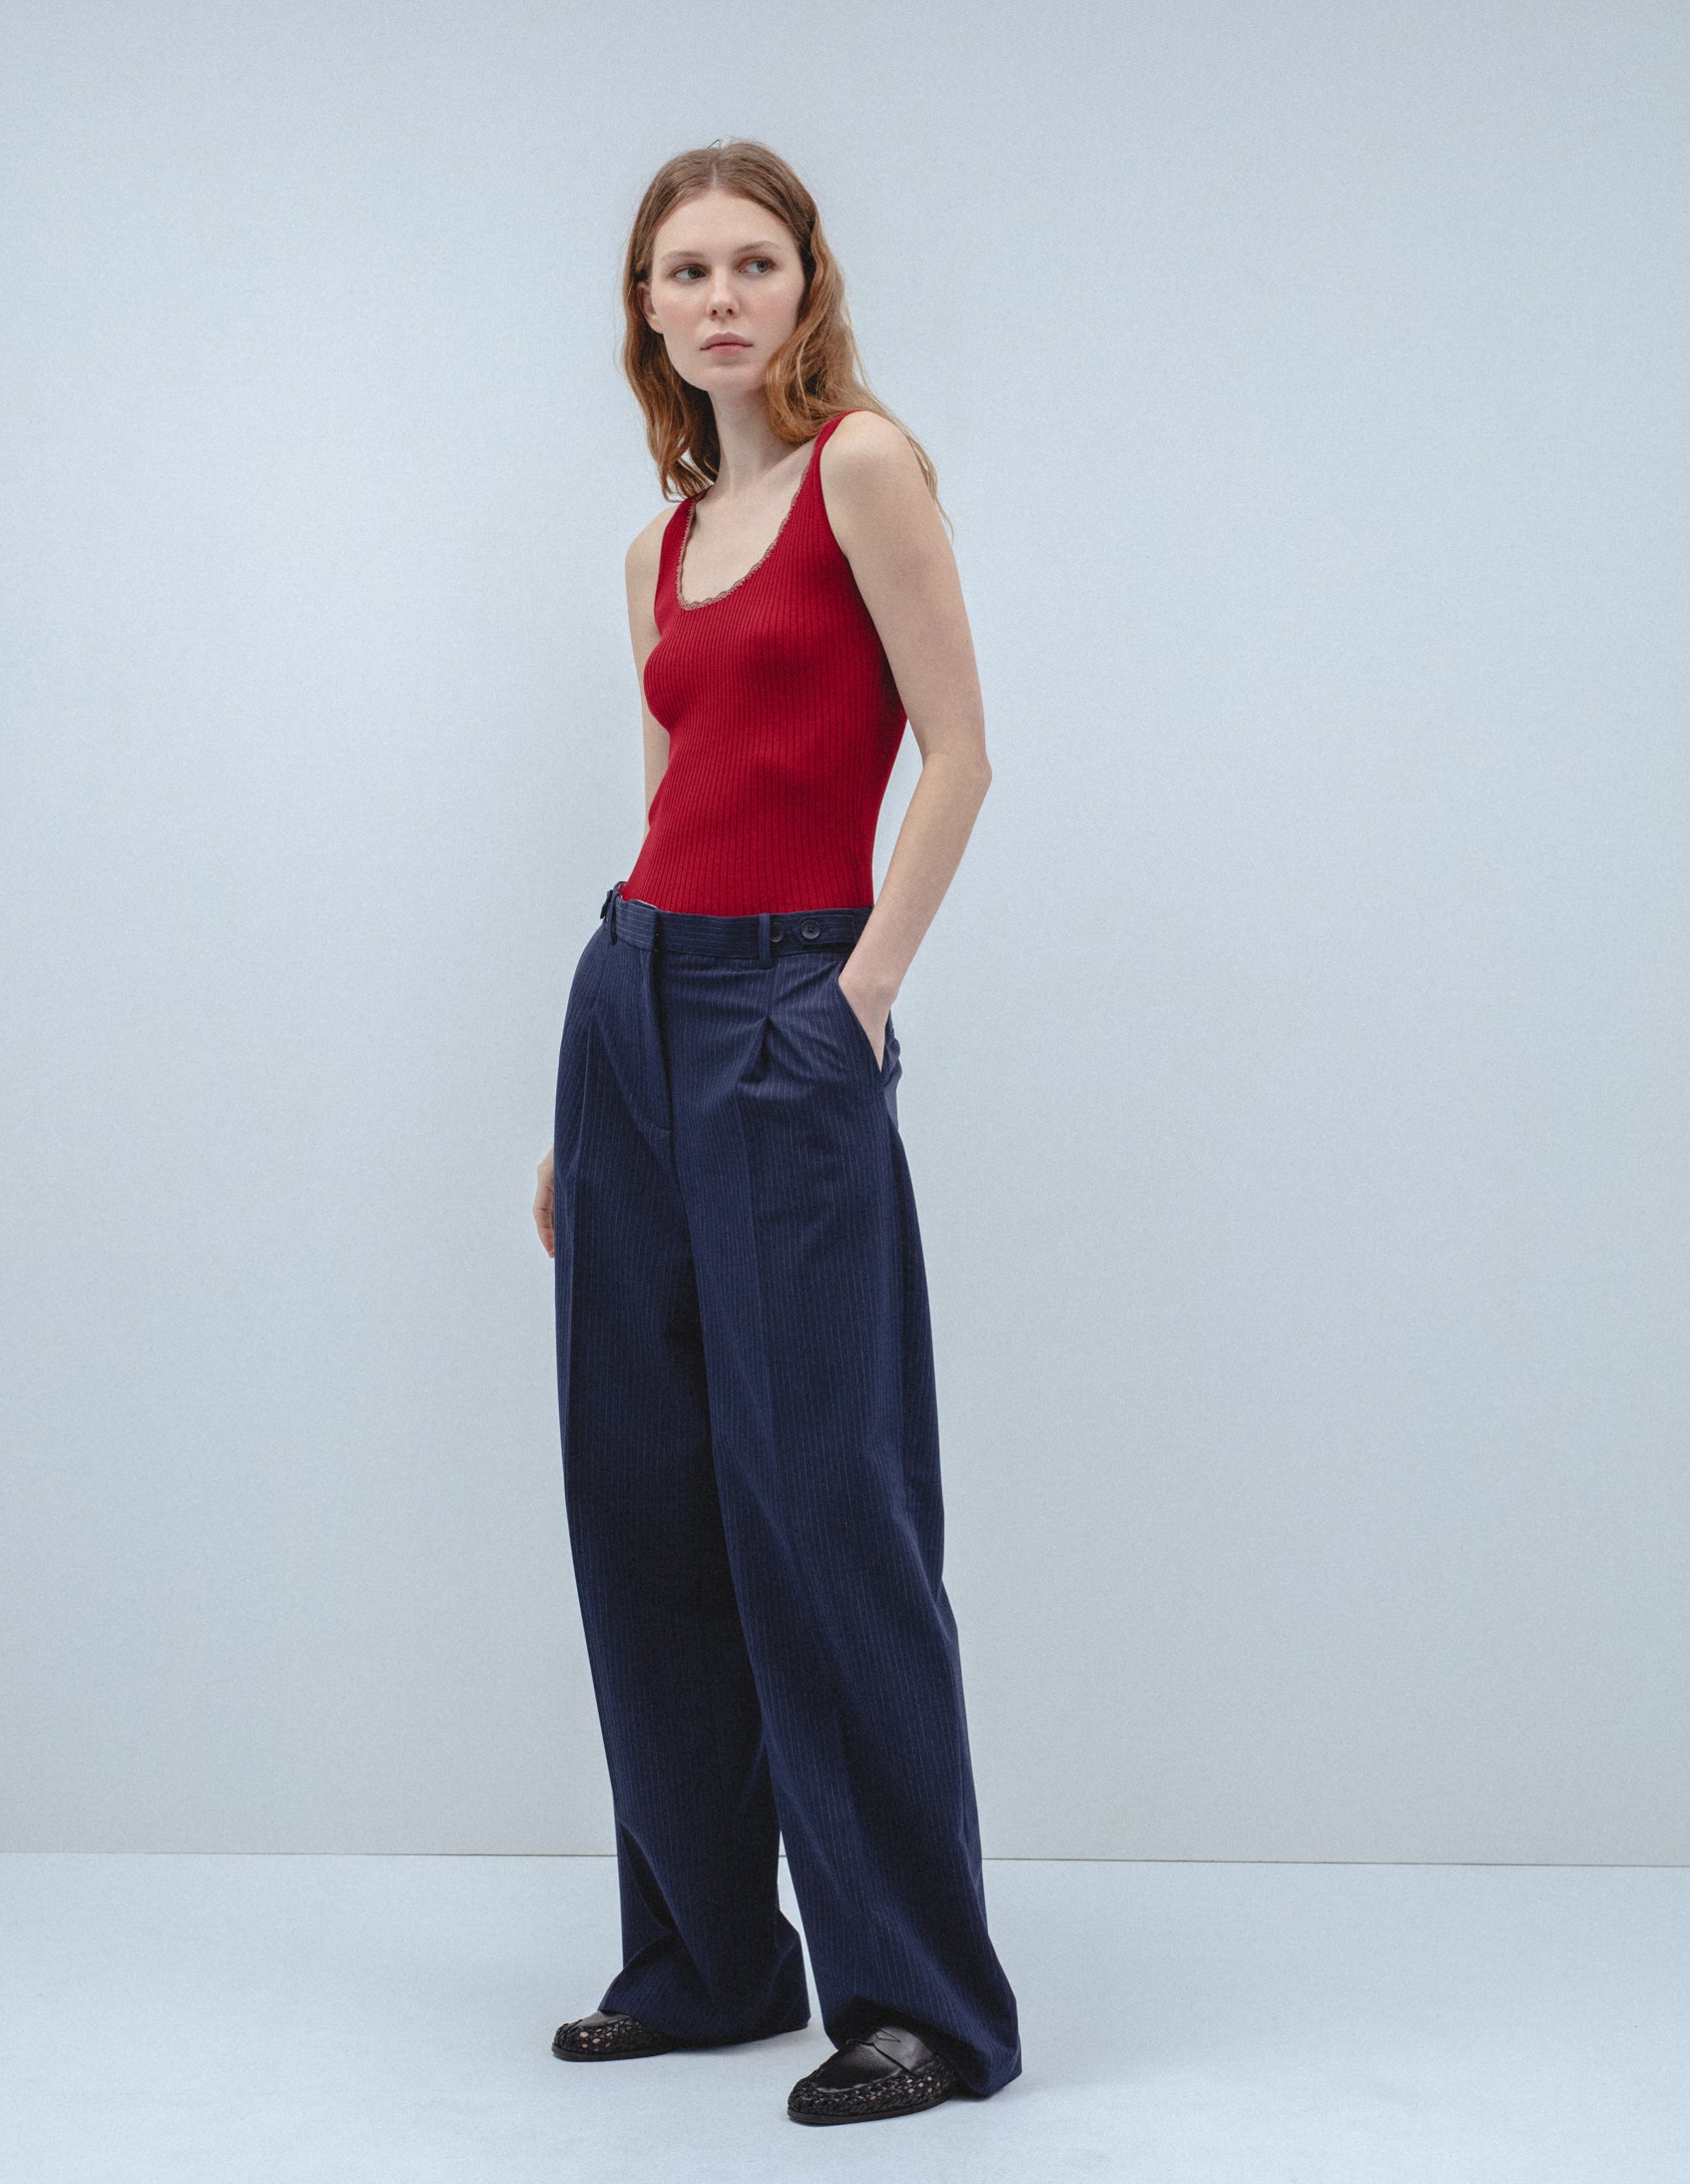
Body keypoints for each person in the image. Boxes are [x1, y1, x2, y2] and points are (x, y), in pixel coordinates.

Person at [530, 138, 1021, 2127]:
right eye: (684, 271)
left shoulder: (864, 471)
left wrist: (863, 993)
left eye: (752, 262)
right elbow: (672, 800)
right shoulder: (655, 550)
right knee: (641, 1507)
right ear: (646, 312)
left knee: (826, 1508)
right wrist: (591, 1109)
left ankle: (920, 2001)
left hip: (789, 1008)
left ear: (807, 285)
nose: (719, 297)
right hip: (631, 1010)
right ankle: (710, 1959)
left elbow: (961, 750)